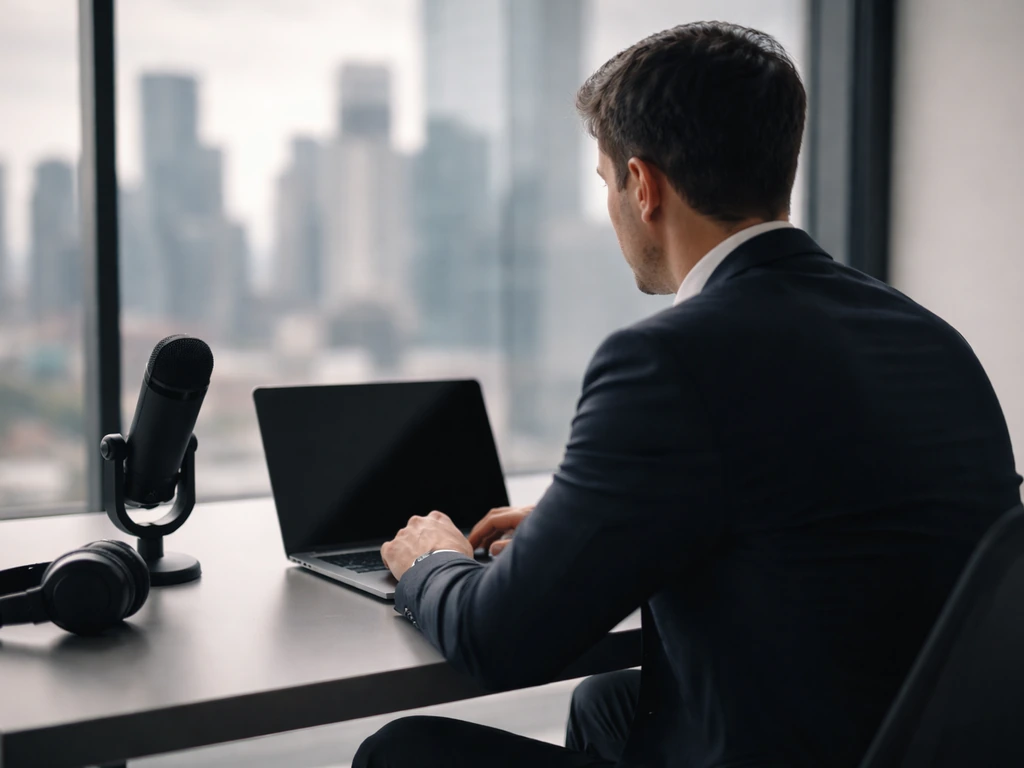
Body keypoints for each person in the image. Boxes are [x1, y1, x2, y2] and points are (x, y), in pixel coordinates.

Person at [354, 20, 1022, 768]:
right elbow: (826, 511)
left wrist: (433, 561)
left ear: (643, 187)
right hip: (893, 743)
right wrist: (603, 520)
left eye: (606, 182)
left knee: (403, 751)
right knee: (605, 702)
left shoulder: (667, 361)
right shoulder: (932, 339)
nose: (610, 206)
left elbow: (499, 640)